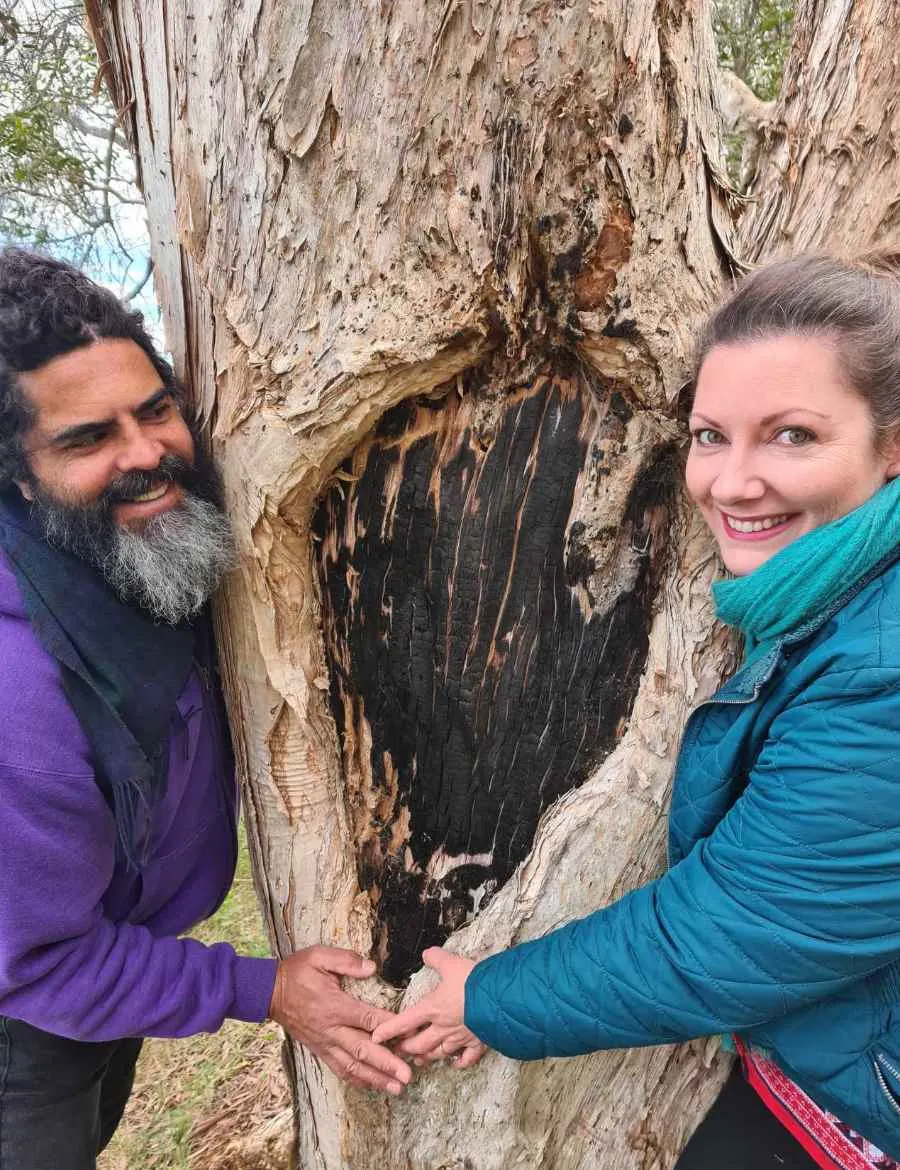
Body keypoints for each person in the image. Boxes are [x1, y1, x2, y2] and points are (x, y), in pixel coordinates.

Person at [374, 253, 900, 1169]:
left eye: (792, 436)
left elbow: (738, 930)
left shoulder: (881, 670)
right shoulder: (830, 596)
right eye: (710, 436)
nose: (730, 483)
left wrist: (489, 999)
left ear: (891, 447)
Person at [0, 248, 410, 1170]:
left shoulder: (127, 568)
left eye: (155, 411)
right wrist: (261, 988)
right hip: (24, 1025)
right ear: (17, 476)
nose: (147, 455)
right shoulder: (20, 695)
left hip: (111, 970)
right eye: (88, 440)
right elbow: (39, 964)